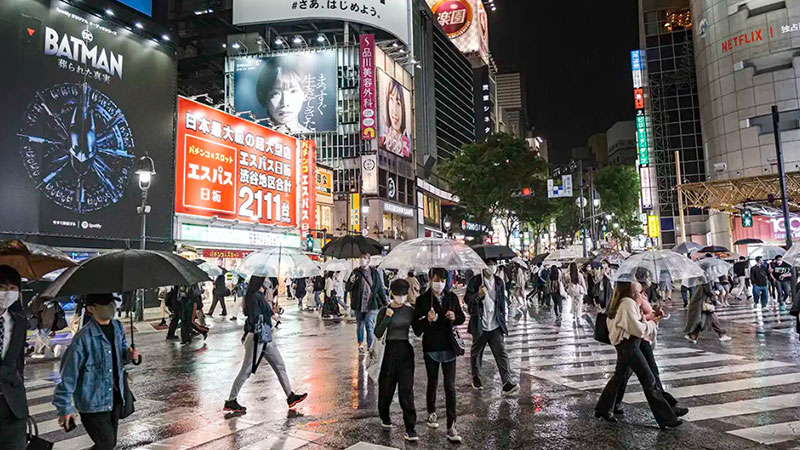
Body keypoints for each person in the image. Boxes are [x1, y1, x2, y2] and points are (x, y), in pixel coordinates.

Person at [54, 293, 141, 449]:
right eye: (106, 304)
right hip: (92, 401)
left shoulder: (117, 327)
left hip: (114, 397)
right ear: (91, 309)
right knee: (107, 443)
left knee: (108, 444)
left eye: (112, 303)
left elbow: (120, 353)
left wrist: (129, 354)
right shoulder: (83, 338)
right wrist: (65, 407)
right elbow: (68, 375)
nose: (112, 307)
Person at [593, 282, 683, 429]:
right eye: (637, 288)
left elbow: (633, 324)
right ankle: (667, 418)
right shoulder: (627, 303)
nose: (640, 290)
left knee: (619, 377)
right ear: (630, 289)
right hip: (629, 345)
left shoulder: (623, 302)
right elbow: (637, 330)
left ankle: (602, 409)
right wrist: (652, 323)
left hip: (627, 345)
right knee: (649, 381)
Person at [225, 276, 307, 413]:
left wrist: (272, 310)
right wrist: (267, 314)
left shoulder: (256, 295)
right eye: (265, 279)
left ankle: (290, 396)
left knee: (280, 365)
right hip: (258, 337)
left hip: (266, 337)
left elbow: (263, 313)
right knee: (246, 370)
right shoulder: (255, 296)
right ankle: (231, 400)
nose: (268, 282)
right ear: (260, 281)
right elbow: (256, 316)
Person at [413, 268, 466, 442]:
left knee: (450, 386)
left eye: (443, 279)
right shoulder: (422, 300)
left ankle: (452, 425)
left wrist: (454, 317)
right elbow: (416, 328)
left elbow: (461, 318)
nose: (440, 283)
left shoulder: (451, 298)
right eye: (436, 279)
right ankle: (431, 412)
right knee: (433, 382)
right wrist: (426, 320)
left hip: (449, 346)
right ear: (430, 279)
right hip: (432, 347)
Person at [465, 258, 519, 395]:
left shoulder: (499, 282)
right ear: (483, 266)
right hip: (481, 325)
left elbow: (501, 303)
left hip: (495, 324)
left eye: (494, 264)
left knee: (501, 353)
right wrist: (478, 294)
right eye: (489, 264)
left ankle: (506, 382)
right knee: (477, 352)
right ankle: (476, 378)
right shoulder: (476, 281)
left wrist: (503, 320)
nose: (492, 266)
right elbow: (468, 301)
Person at [374, 279, 419, 441]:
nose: (400, 297)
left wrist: (428, 318)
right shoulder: (384, 310)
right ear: (392, 293)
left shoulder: (410, 311)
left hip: (405, 351)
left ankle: (410, 427)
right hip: (388, 351)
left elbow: (418, 331)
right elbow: (378, 333)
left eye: (403, 294)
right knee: (386, 388)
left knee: (406, 390)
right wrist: (386, 318)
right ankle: (384, 416)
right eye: (398, 294)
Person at [0, 266, 29, 449]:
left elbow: (18, 361)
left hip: (12, 406)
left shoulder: (19, 321)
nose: (7, 293)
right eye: (2, 287)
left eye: (12, 289)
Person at [346, 253, 388, 353]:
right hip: (359, 303)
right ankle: (360, 344)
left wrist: (385, 304)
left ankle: (370, 346)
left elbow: (379, 289)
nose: (362, 260)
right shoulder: (355, 272)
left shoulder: (374, 273)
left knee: (369, 324)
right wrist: (351, 282)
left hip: (371, 303)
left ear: (368, 260)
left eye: (364, 258)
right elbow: (347, 288)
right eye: (360, 258)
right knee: (360, 324)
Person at [256, 60, 311, 134]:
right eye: (275, 93)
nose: (284, 103)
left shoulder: (313, 138)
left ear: (305, 94)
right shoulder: (255, 138)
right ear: (264, 96)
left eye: (293, 91)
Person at [684, 279, 731, 343]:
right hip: (703, 301)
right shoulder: (706, 278)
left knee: (701, 319)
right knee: (709, 317)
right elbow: (709, 290)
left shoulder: (701, 277)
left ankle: (692, 335)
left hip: (700, 301)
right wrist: (714, 297)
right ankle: (721, 334)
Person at [379, 78, 411, 158]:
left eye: (398, 103)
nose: (395, 111)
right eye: (391, 100)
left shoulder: (407, 145)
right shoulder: (382, 140)